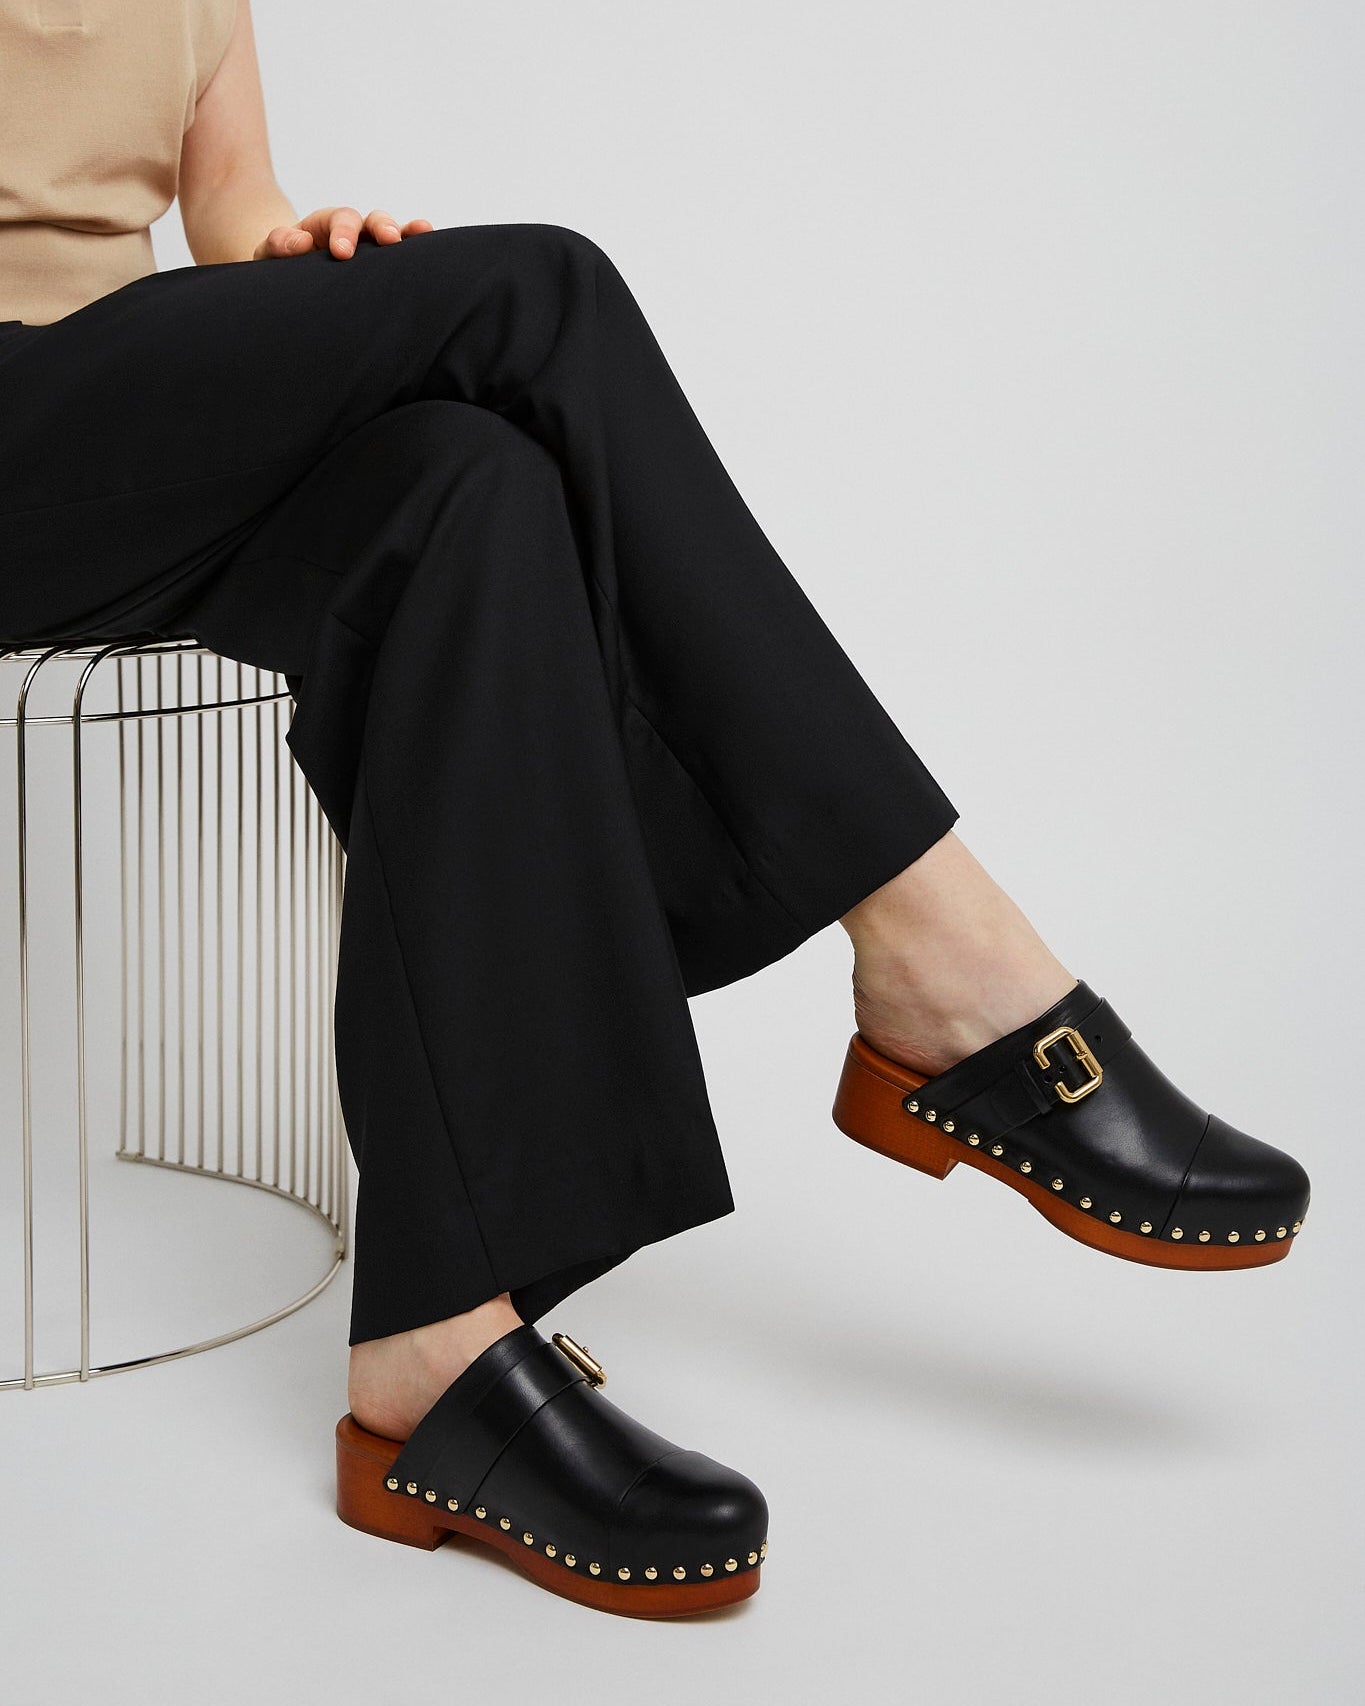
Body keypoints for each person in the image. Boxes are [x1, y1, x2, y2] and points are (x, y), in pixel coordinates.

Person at [0, 0, 1310, 1619]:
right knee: (537, 289)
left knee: (466, 485)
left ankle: (439, 1336)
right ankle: (940, 958)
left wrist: (305, 258)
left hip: (105, 461)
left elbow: (232, 222)